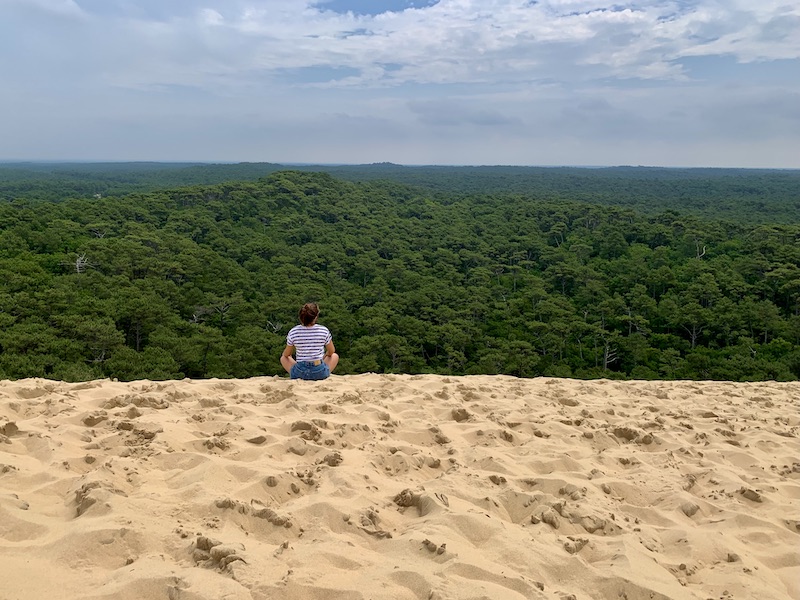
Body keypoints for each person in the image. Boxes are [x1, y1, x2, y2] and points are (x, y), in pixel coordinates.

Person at [280, 303, 339, 380]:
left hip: (300, 372)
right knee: (334, 356)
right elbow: (331, 351)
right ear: (315, 317)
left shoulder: (294, 331)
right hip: (319, 371)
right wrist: (324, 357)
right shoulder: (323, 330)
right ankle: (323, 374)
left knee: (283, 358)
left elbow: (287, 354)